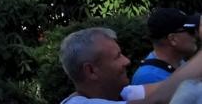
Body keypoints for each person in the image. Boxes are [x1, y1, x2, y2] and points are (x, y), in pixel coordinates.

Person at [59, 25, 202, 104]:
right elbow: (156, 101)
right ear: (91, 71)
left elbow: (168, 87)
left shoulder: (120, 93)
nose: (126, 61)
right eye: (117, 57)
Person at [131, 10, 200, 86]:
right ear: (173, 39)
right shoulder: (148, 78)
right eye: (191, 31)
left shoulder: (178, 63)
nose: (196, 34)